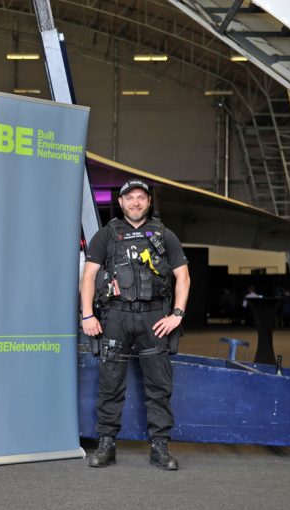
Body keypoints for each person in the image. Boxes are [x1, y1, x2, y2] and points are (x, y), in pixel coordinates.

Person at [80, 179, 190, 471]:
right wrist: (87, 315)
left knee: (159, 386)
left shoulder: (164, 235)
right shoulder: (106, 235)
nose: (136, 203)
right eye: (130, 198)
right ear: (120, 202)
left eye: (142, 197)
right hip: (115, 317)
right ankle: (107, 445)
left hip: (154, 318)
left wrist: (177, 314)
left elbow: (183, 276)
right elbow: (89, 276)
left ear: (149, 202)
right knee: (110, 384)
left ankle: (160, 447)